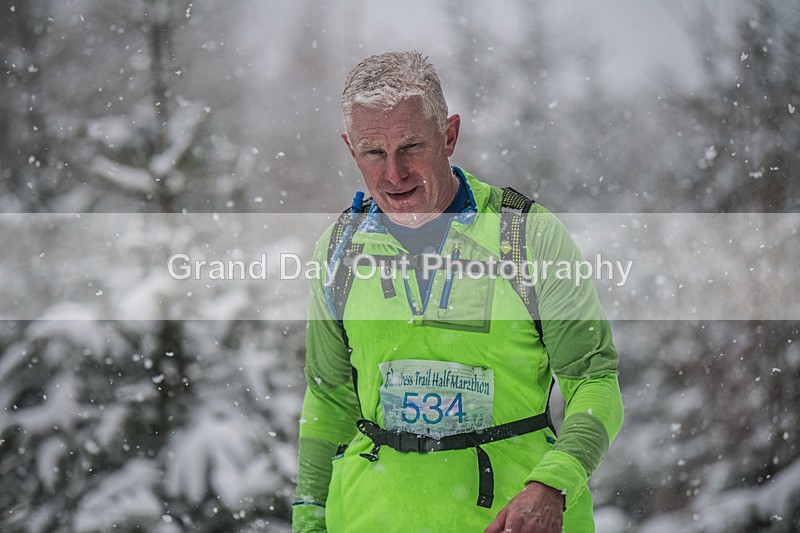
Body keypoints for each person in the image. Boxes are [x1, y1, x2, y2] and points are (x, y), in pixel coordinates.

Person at [293, 50, 623, 532]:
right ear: (350, 149)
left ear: (449, 135)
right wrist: (308, 518)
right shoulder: (340, 250)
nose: (394, 174)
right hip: (369, 518)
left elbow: (594, 380)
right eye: (373, 152)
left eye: (410, 147)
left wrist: (553, 485)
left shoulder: (523, 234)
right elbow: (328, 400)